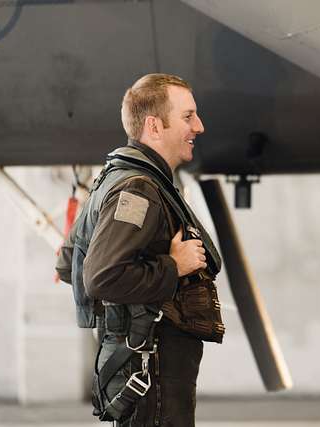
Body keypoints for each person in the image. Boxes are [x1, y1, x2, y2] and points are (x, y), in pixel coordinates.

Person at [56, 73, 224, 426]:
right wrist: (172, 266)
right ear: (154, 126)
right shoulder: (138, 190)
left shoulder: (117, 177)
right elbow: (102, 277)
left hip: (145, 368)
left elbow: (68, 261)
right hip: (152, 373)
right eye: (188, 116)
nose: (200, 126)